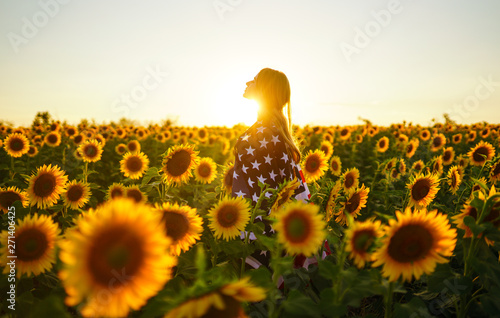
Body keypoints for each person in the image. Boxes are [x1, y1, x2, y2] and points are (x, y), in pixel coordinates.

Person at [231, 68, 311, 268]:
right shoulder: (277, 132)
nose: (248, 81)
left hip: (259, 232)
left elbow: (261, 194)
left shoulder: (260, 135)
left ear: (264, 90)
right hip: (280, 229)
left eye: (255, 79)